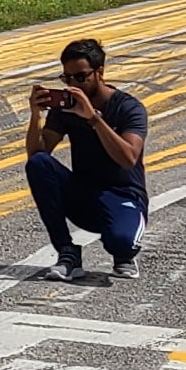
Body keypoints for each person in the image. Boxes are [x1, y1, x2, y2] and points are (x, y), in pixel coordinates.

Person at [25, 39, 148, 282]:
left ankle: (123, 253)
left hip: (123, 194)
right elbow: (38, 153)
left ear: (99, 72)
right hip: (84, 194)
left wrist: (93, 119)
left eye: (80, 77)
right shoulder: (66, 109)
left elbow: (128, 158)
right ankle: (67, 251)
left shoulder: (128, 108)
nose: (73, 84)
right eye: (67, 78)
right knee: (38, 164)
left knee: (122, 244)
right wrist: (35, 116)